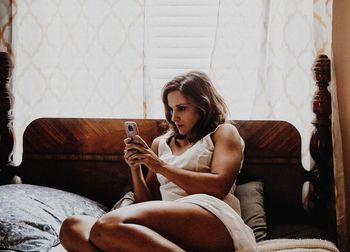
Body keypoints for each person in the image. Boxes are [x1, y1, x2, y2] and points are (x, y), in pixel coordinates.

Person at [59, 71, 257, 251]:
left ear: (203, 106)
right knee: (72, 227)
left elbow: (219, 186)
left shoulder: (223, 133)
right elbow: (148, 203)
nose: (174, 117)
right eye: (170, 109)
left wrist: (160, 166)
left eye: (181, 108)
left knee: (107, 226)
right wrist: (136, 168)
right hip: (165, 224)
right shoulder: (160, 144)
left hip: (211, 216)